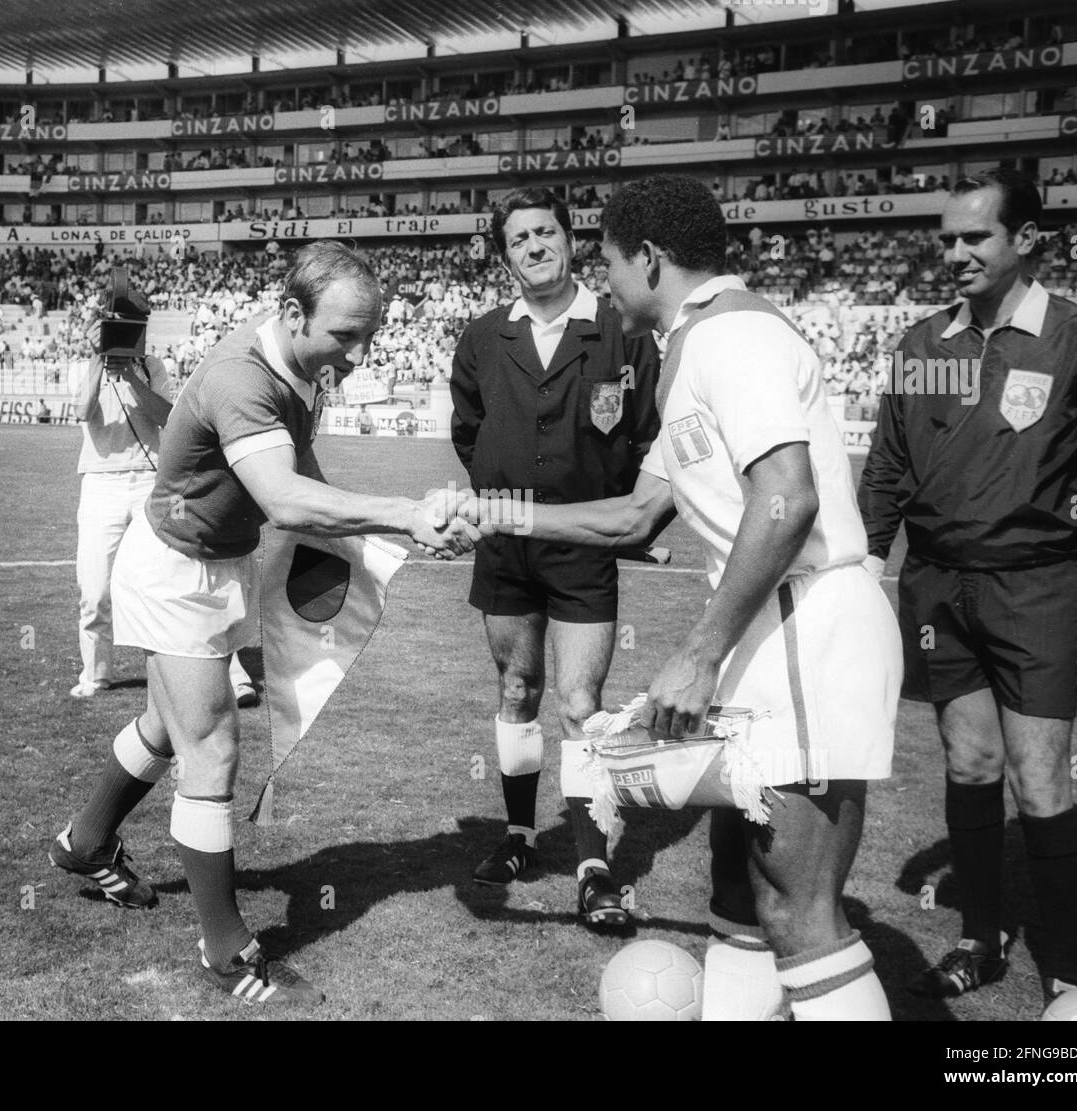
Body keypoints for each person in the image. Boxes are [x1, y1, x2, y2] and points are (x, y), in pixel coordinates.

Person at [466, 175, 900, 1020]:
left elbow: (788, 499)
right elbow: (634, 514)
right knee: (739, 893)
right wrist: (494, 510)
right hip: (771, 635)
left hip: (807, 631)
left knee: (797, 913)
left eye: (610, 262)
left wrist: (700, 654)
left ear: (650, 258)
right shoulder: (694, 343)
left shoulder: (734, 335)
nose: (606, 280)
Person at [50, 242, 476, 1008]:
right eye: (344, 335)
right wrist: (408, 514)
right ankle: (223, 944)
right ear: (291, 314)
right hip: (176, 566)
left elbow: (301, 472)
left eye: (369, 336)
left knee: (163, 723)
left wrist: (398, 532)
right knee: (211, 747)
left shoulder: (303, 369)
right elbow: (283, 497)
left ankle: (84, 843)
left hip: (225, 562)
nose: (357, 353)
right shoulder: (242, 377)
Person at [858, 167, 1077, 1007]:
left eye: (975, 237)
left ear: (1027, 239)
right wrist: (867, 569)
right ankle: (980, 936)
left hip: (1037, 585)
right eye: (947, 239)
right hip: (938, 585)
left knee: (1040, 775)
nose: (957, 253)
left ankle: (1067, 962)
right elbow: (890, 467)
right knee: (970, 762)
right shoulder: (927, 345)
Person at [450, 186, 660, 929]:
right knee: (516, 688)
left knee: (580, 706)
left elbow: (642, 434)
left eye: (546, 232)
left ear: (570, 240)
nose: (535, 247)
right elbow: (469, 433)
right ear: (504, 255)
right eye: (518, 239)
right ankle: (515, 837)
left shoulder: (621, 331)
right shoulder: (480, 337)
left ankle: (594, 864)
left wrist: (617, 519)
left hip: (582, 547)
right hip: (505, 546)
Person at [67, 274, 174, 698]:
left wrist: (130, 373)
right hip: (100, 482)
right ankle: (95, 673)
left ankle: (167, 671)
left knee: (159, 583)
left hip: (149, 480)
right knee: (94, 588)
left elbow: (166, 416)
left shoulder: (153, 367)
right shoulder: (83, 364)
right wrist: (99, 360)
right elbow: (83, 410)